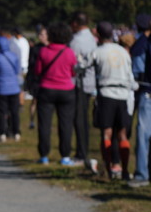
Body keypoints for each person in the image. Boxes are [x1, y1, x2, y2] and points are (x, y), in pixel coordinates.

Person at [92, 21, 135, 180]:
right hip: (123, 95)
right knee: (123, 134)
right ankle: (125, 170)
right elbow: (130, 75)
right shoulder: (123, 52)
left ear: (98, 35)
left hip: (106, 94)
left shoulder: (98, 51)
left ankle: (108, 168)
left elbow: (82, 66)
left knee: (107, 133)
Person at [35, 22, 78, 165]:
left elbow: (38, 71)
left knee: (44, 124)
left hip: (47, 89)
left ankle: (44, 155)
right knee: (66, 124)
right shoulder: (69, 52)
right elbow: (73, 72)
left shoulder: (44, 51)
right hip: (66, 90)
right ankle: (65, 155)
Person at [69, 12, 98, 173]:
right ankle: (82, 150)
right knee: (83, 118)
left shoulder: (76, 41)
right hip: (89, 82)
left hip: (79, 83)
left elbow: (72, 62)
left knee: (79, 119)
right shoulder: (91, 39)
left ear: (75, 23)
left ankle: (81, 153)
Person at [128, 13, 151, 187]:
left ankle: (142, 173)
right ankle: (142, 173)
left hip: (146, 92)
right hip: (147, 91)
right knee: (144, 134)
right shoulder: (144, 43)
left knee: (143, 134)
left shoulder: (141, 43)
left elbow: (137, 71)